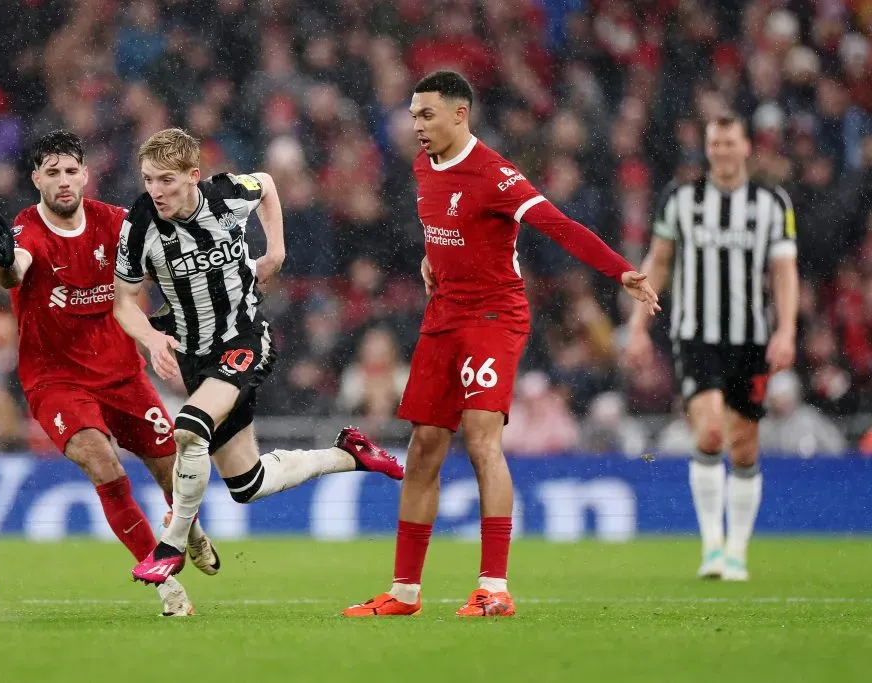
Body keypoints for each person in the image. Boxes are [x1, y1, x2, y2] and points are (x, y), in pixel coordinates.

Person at [343, 71, 659, 618]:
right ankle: (404, 593)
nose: (417, 126)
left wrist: (620, 271)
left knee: (481, 438)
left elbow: (560, 226)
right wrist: (430, 259)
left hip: (493, 318)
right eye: (414, 116)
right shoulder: (422, 167)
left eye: (427, 115)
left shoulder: (495, 174)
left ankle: (494, 588)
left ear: (460, 114)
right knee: (423, 447)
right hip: (443, 317)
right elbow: (446, 228)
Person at [111, 128, 403, 587]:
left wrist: (276, 251)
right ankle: (348, 454)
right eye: (149, 179)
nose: (156, 190)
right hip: (196, 357)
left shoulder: (226, 194)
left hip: (245, 339)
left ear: (193, 176)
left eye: (166, 180)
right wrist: (150, 338)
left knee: (188, 427)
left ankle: (171, 545)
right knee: (248, 484)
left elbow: (266, 184)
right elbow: (124, 302)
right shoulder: (140, 223)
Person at [0, 130, 220, 617]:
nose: (63, 181)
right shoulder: (26, 229)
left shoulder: (116, 223)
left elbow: (163, 260)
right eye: (52, 173)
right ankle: (164, 583)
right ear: (36, 179)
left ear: (85, 175)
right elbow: (15, 269)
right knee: (103, 463)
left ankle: (191, 532)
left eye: (71, 171)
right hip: (56, 381)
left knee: (173, 470)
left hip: (121, 373)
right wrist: (5, 263)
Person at [626, 113, 800, 582]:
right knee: (709, 434)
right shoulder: (681, 198)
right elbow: (659, 261)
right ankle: (712, 547)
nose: (722, 150)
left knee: (743, 446)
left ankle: (737, 551)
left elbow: (784, 271)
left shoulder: (771, 202)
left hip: (752, 339)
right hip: (695, 334)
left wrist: (786, 331)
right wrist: (637, 327)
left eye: (729, 142)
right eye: (715, 143)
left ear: (746, 147)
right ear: (708, 149)